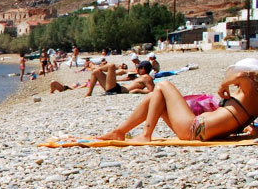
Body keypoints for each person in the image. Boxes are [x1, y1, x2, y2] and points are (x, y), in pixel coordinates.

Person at [96, 58, 258, 142]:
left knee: (163, 85)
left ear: (251, 75)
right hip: (199, 131)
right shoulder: (253, 100)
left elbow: (240, 76)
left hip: (195, 129)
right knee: (154, 96)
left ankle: (146, 134)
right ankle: (119, 132)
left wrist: (224, 84)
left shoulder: (249, 91)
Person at [86, 61, 154, 96]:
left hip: (117, 89)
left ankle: (94, 67)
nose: (137, 69)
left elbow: (151, 90)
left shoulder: (147, 77)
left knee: (111, 65)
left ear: (143, 69)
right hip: (116, 88)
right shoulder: (143, 77)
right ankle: (89, 93)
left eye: (139, 68)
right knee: (95, 72)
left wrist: (138, 90)